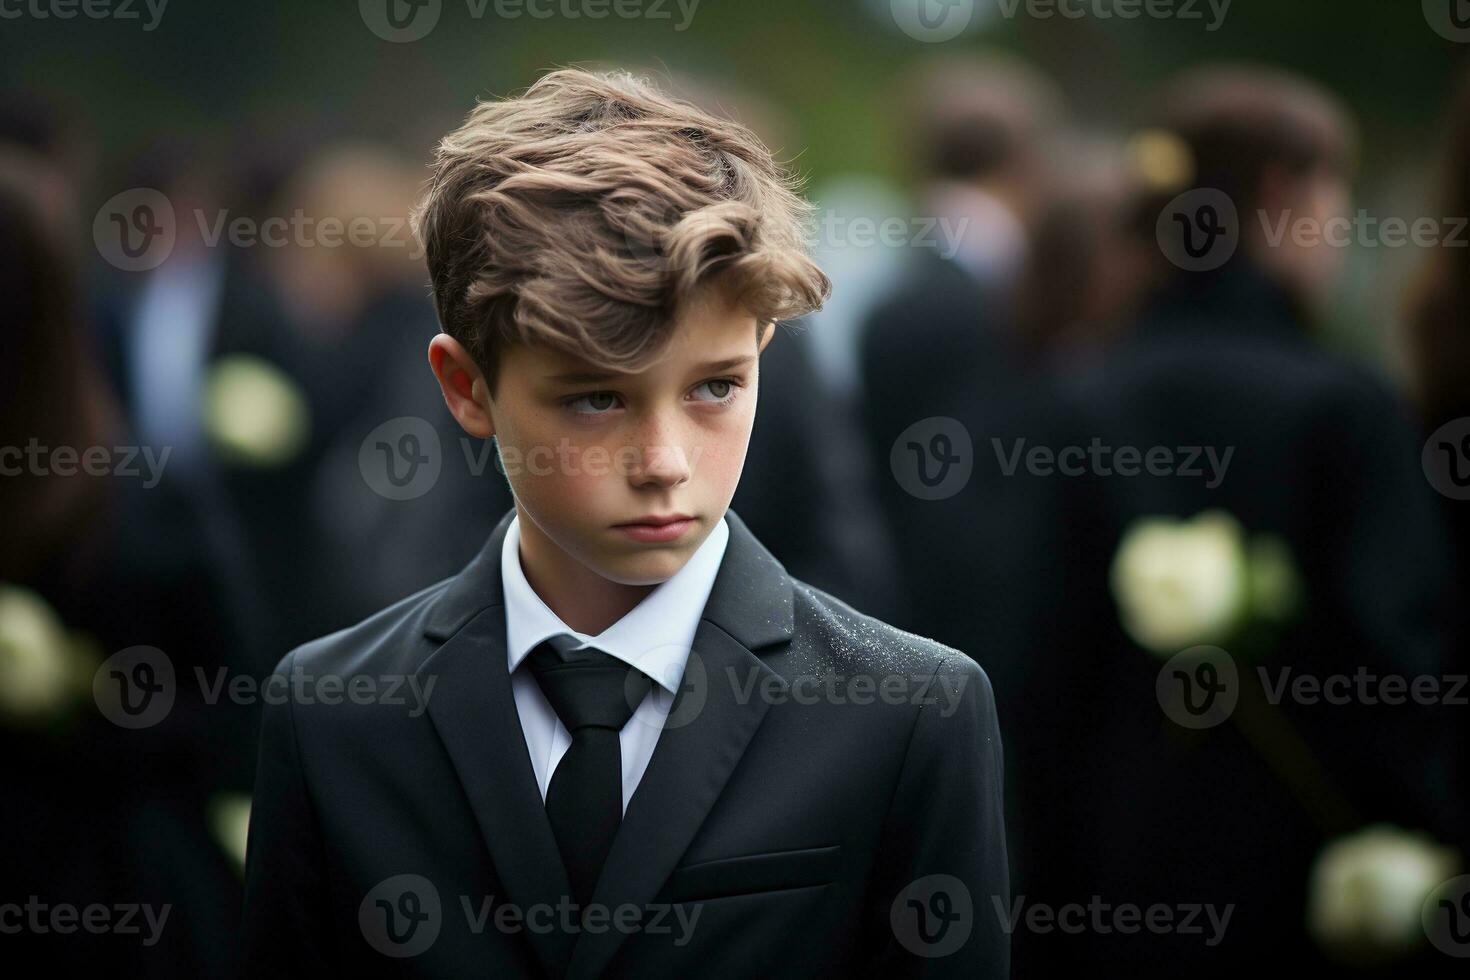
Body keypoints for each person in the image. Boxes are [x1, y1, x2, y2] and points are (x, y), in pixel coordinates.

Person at [240, 68, 1009, 978]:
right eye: (596, 399)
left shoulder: (913, 712)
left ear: (764, 351)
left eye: (715, 387)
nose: (665, 461)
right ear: (467, 388)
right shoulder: (330, 715)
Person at [1026, 66, 1460, 974]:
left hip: (1107, 889)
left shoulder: (1075, 397)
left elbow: (1030, 665)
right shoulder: (1343, 407)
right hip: (1307, 889)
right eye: (1333, 188)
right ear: (1283, 193)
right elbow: (1401, 664)